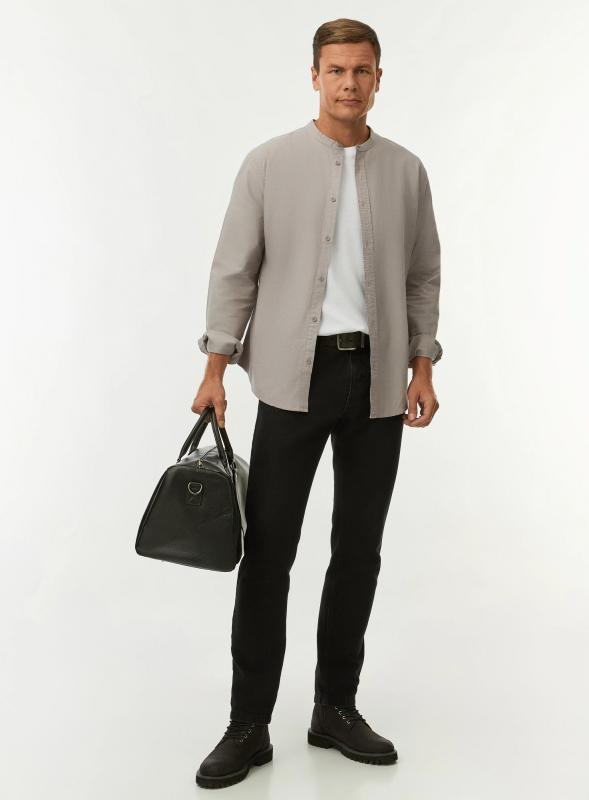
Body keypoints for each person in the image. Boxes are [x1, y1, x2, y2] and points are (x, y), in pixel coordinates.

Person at [192, 17, 442, 789]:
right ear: (313, 76)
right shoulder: (268, 164)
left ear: (378, 78)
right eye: (335, 70)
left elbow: (422, 276)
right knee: (268, 552)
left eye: (361, 70)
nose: (348, 83)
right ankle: (248, 724)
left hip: (377, 381)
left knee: (358, 551)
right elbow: (234, 269)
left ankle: (335, 707)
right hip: (290, 381)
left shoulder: (406, 172)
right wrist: (214, 367)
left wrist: (421, 365)